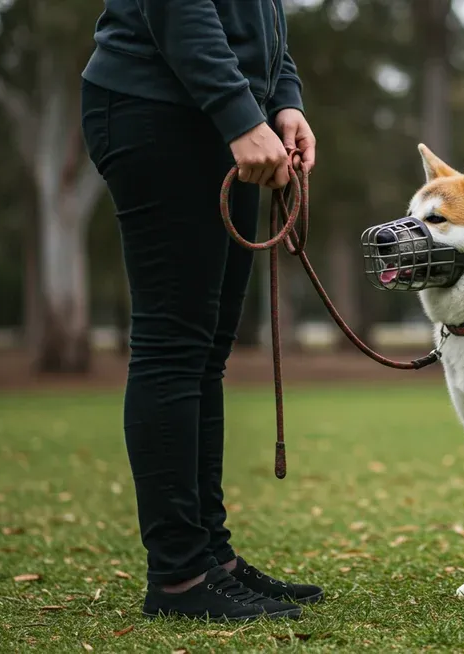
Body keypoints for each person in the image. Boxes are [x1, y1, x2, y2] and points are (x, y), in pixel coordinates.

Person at [79, 0, 320, 622]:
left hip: (218, 117)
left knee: (207, 351)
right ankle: (179, 575)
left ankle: (213, 558)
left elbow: (262, 22)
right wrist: (241, 116)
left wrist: (283, 100)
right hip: (159, 109)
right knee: (174, 347)